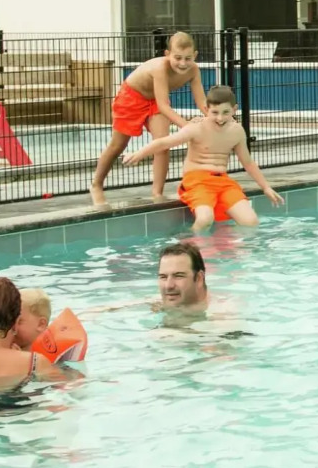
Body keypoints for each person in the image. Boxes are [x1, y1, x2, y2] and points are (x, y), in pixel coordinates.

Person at [124, 85, 283, 231]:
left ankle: (233, 251)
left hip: (223, 183)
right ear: (206, 109)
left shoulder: (237, 131)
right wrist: (138, 153)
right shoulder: (196, 128)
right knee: (205, 218)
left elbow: (247, 162)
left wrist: (266, 187)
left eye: (225, 112)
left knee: (250, 221)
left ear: (234, 110)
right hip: (197, 181)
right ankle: (190, 244)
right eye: (215, 113)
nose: (220, 118)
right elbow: (164, 142)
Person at [91, 31, 209, 206]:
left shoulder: (194, 70)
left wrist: (217, 117)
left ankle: (157, 193)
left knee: (163, 143)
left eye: (188, 58)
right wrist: (186, 126)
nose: (183, 63)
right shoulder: (159, 68)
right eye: (178, 58)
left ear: (195, 56)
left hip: (154, 100)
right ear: (167, 54)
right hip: (132, 97)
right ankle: (96, 184)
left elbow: (201, 102)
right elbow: (164, 106)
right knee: (118, 145)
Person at [156, 241, 211, 313]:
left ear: (199, 279)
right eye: (163, 277)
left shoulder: (219, 316)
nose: (168, 286)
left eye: (178, 276)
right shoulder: (157, 304)